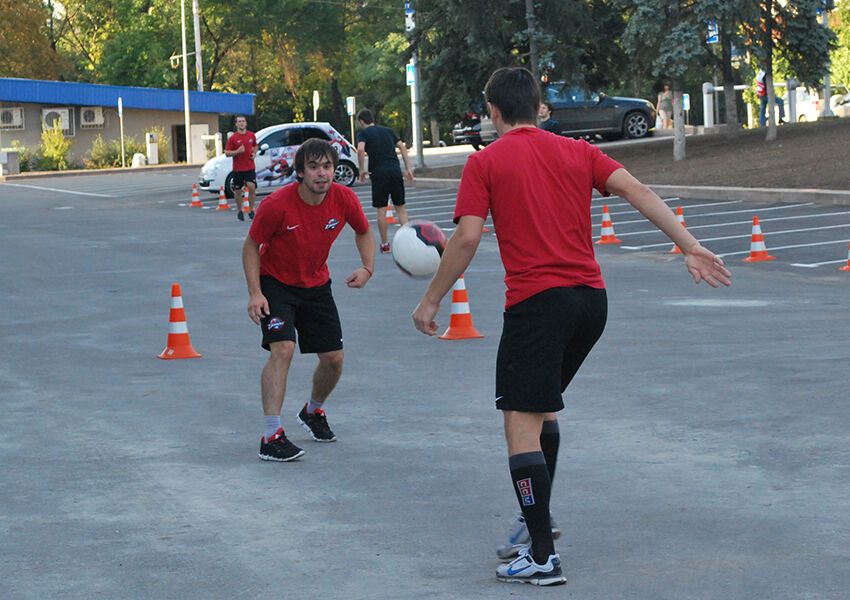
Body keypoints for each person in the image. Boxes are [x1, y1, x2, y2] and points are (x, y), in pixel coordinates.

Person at [412, 67, 732, 586]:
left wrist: (430, 300)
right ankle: (537, 521)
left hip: (540, 305)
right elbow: (639, 189)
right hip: (591, 303)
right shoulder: (577, 151)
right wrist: (689, 245)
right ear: (539, 106)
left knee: (519, 422)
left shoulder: (486, 163)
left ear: (492, 112)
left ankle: (540, 556)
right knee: (540, 409)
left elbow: (467, 239)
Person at [243, 138, 375, 462]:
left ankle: (313, 412)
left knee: (334, 359)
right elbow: (250, 246)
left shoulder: (344, 199)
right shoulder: (276, 205)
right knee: (283, 348)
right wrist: (255, 292)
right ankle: (271, 434)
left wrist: (367, 267)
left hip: (316, 284)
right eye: (313, 167)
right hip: (276, 284)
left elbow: (363, 230)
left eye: (327, 166)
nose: (322, 173)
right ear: (300, 172)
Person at [355, 108, 414, 253]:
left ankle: (385, 243)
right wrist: (408, 168)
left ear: (362, 121)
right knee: (400, 207)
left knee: (381, 209)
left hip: (379, 173)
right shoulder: (388, 130)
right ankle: (408, 241)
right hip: (394, 170)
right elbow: (401, 146)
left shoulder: (363, 133)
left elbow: (361, 149)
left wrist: (362, 169)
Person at [225, 115, 258, 221]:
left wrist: (254, 153)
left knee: (251, 187)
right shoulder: (233, 138)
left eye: (243, 121)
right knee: (238, 191)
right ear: (236, 124)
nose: (241, 123)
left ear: (246, 123)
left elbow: (255, 145)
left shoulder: (251, 135)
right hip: (238, 169)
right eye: (239, 121)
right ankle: (240, 210)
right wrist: (237, 152)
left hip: (250, 167)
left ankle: (251, 209)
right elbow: (227, 153)